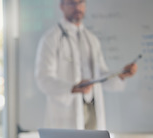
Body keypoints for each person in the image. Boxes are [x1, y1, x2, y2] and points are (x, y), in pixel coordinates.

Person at [34, 0, 137, 130]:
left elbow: (101, 76)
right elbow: (43, 79)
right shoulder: (50, 39)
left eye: (81, 2)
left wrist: (121, 75)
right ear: (61, 6)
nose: (77, 7)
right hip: (66, 111)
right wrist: (72, 87)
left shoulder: (92, 39)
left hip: (92, 109)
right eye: (71, 3)